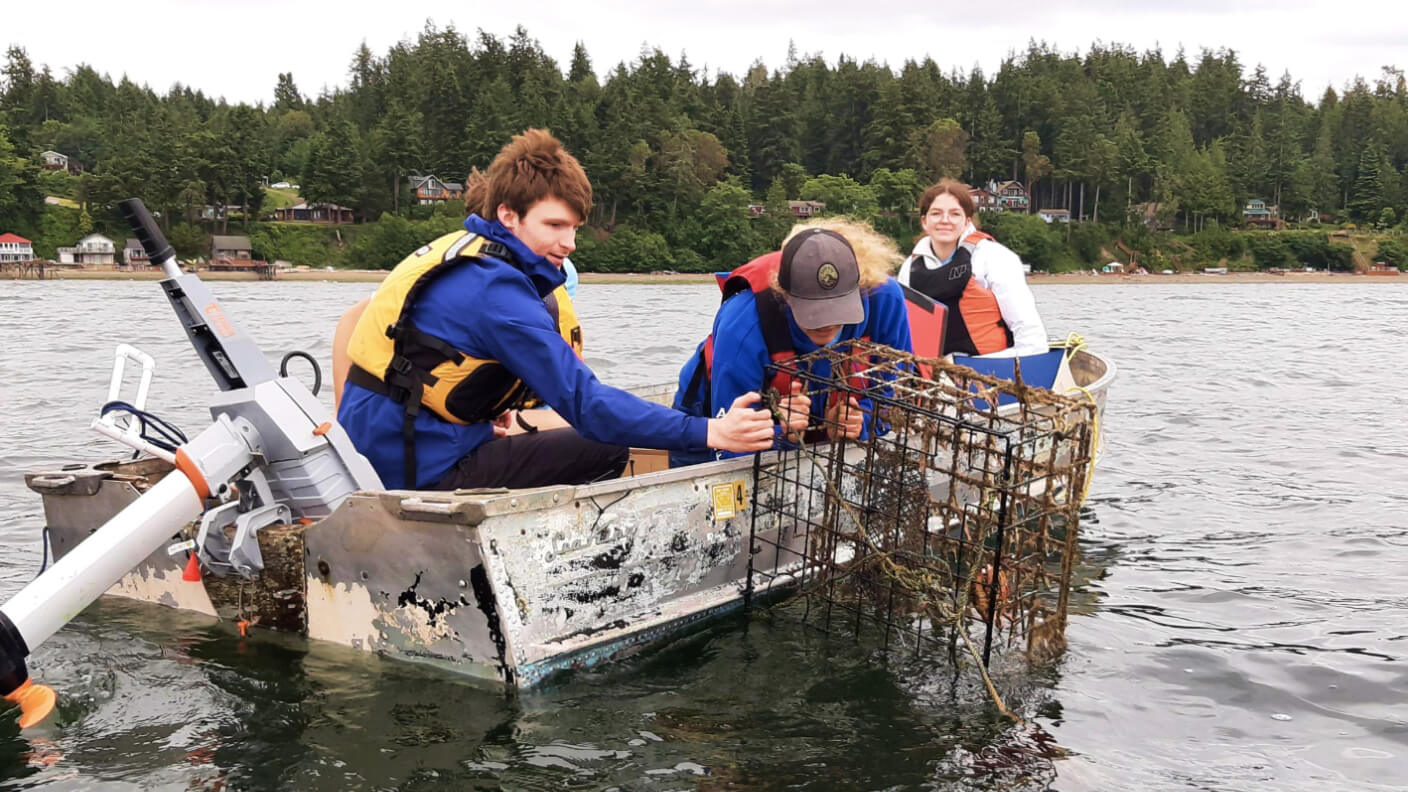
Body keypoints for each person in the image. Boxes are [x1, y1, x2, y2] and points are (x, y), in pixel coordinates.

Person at [337, 129, 774, 490]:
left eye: (575, 228)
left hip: (397, 447)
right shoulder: (496, 292)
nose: (570, 243)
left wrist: (483, 409)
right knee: (603, 448)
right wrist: (710, 432)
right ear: (509, 215)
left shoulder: (474, 255)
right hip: (410, 475)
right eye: (555, 225)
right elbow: (589, 405)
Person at [671, 217, 914, 467]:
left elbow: (897, 396)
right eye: (813, 311)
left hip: (821, 424)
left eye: (837, 308)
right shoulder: (743, 323)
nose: (825, 323)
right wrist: (780, 431)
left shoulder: (883, 299)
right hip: (710, 424)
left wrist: (860, 421)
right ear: (784, 294)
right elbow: (730, 445)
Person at [897, 179, 1047, 357]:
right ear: (924, 221)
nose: (945, 220)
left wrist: (965, 366)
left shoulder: (994, 257)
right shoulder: (910, 268)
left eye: (955, 214)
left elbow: (1033, 340)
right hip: (933, 373)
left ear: (967, 221)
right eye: (936, 214)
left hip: (991, 370)